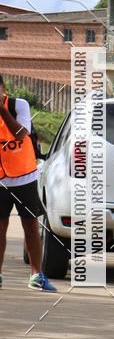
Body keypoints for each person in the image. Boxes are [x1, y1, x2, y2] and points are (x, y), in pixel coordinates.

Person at [0, 76, 56, 292]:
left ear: (4, 88)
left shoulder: (18, 106)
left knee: (30, 226)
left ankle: (37, 275)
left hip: (24, 176)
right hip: (2, 180)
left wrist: (2, 110)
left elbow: (21, 133)